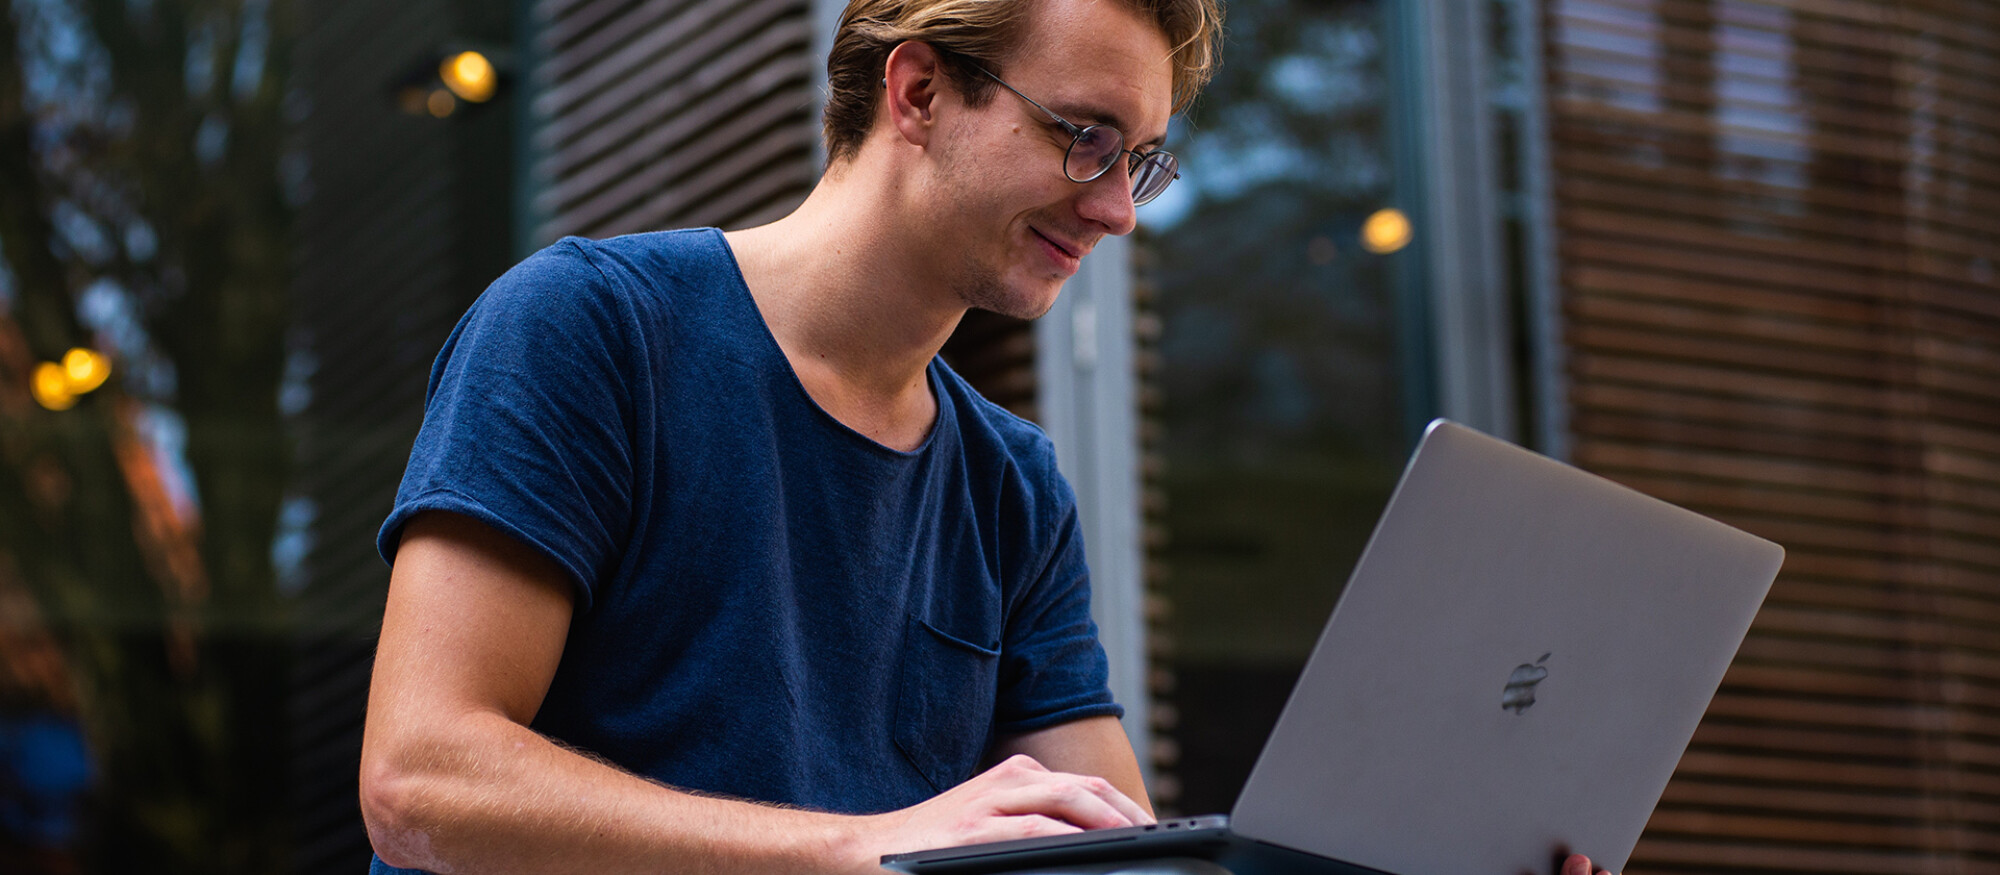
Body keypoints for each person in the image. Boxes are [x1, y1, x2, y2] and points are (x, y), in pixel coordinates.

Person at [358, 2, 1615, 874]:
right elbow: (421, 784)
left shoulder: (1011, 486)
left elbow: (1113, 856)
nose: (1118, 208)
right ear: (916, 91)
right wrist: (864, 844)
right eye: (1082, 137)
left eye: (1141, 160)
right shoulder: (590, 330)